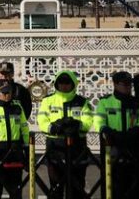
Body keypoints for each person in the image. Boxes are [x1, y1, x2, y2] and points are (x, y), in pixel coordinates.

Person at [38, 70, 93, 199]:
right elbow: (41, 120)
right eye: (61, 82)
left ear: (73, 84)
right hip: (55, 148)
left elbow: (88, 120)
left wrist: (77, 126)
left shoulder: (82, 102)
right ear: (56, 84)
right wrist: (53, 127)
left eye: (67, 83)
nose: (64, 86)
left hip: (77, 147)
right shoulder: (47, 101)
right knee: (56, 188)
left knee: (77, 188)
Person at [93, 71, 139, 199]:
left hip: (132, 145)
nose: (127, 87)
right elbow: (99, 121)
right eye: (124, 84)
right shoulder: (105, 102)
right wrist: (110, 132)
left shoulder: (137, 102)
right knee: (112, 184)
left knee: (134, 184)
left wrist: (137, 129)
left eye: (129, 85)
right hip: (112, 145)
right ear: (115, 84)